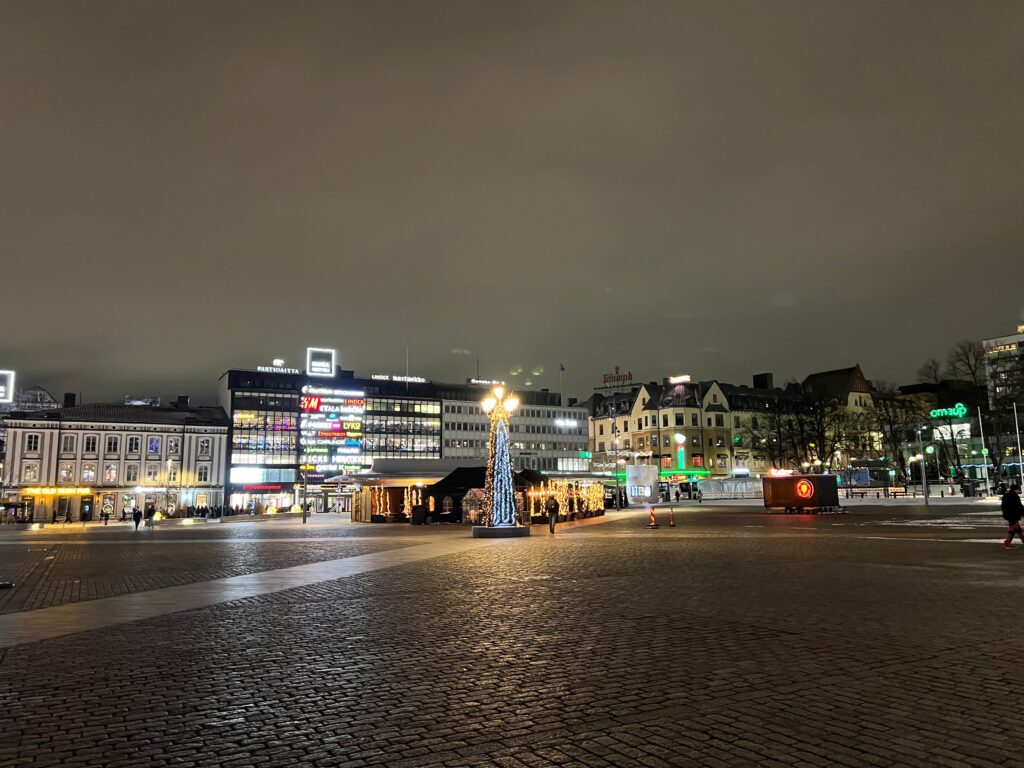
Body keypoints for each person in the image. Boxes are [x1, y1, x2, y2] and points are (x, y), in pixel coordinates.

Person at [1000, 485, 1024, 549]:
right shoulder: (1015, 496)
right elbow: (1019, 506)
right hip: (1014, 515)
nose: (1019, 491)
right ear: (1015, 490)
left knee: (1017, 528)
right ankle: (1007, 543)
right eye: (1018, 490)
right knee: (1012, 529)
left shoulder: (1006, 495)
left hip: (1008, 515)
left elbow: (1003, 506)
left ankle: (1022, 539)